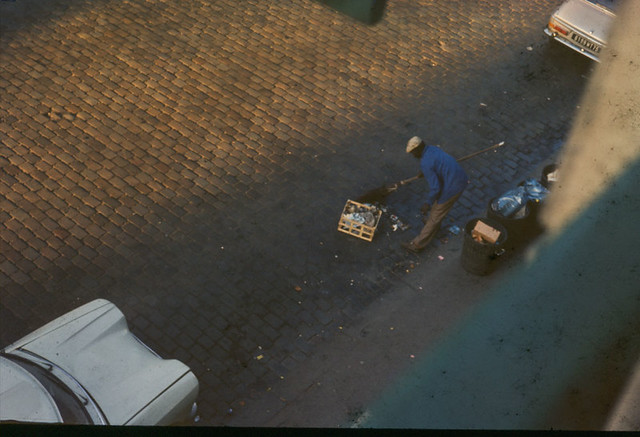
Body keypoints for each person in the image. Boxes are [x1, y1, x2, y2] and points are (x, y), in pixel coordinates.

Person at [402, 136, 469, 253]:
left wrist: (427, 203)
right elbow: (436, 164)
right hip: (459, 177)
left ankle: (417, 245)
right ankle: (433, 224)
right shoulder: (432, 149)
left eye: (413, 153)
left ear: (418, 149)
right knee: (436, 210)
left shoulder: (425, 163)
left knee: (436, 214)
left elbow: (435, 188)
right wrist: (425, 172)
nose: (413, 156)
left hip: (453, 187)